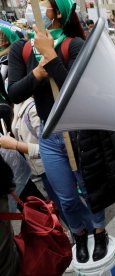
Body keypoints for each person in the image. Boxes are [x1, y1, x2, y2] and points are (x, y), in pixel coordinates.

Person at [8, 0, 107, 264]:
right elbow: (15, 93)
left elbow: (78, 90)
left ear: (57, 13)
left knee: (89, 189)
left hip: (78, 133)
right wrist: (38, 73)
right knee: (65, 196)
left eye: (41, 5)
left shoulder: (73, 45)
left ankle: (99, 231)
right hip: (49, 135)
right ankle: (79, 233)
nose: (32, 10)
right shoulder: (22, 49)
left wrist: (51, 57)